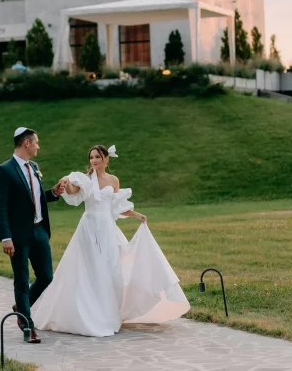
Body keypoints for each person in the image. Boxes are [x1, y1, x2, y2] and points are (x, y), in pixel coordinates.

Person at [30, 144, 189, 337]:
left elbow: (116, 207)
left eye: (97, 157)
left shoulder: (114, 181)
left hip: (107, 229)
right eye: (91, 157)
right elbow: (72, 191)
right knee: (90, 271)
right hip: (89, 229)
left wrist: (137, 215)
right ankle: (91, 316)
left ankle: (109, 312)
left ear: (106, 159)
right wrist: (65, 182)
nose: (94, 160)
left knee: (112, 271)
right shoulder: (86, 179)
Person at [0, 127, 66, 344]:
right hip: (18, 236)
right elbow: (0, 206)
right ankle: (27, 324)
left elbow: (33, 198)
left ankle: (21, 307)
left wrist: (52, 193)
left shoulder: (34, 167)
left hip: (40, 232)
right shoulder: (4, 170)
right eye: (36, 142)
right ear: (26, 143)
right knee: (22, 281)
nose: (38, 146)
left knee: (46, 277)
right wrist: (6, 237)